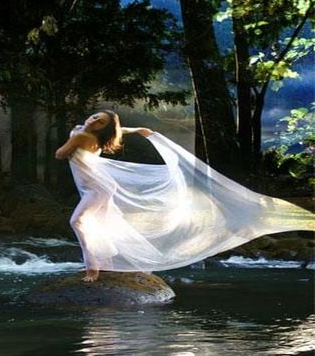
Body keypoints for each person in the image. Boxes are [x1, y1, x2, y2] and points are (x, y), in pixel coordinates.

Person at [56, 110, 314, 282]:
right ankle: (108, 260)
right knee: (100, 223)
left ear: (104, 129)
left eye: (99, 122)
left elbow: (60, 154)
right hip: (98, 186)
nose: (93, 121)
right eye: (94, 117)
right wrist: (138, 130)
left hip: (98, 188)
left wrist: (74, 145)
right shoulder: (88, 132)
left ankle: (93, 267)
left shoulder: (80, 135)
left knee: (77, 222)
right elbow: (117, 131)